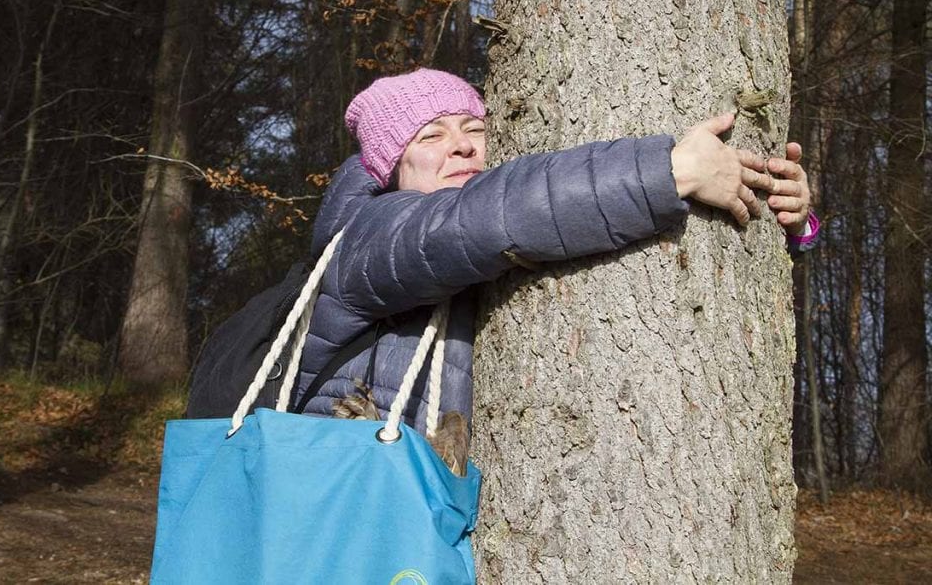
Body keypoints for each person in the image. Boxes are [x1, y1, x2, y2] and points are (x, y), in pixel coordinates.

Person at [293, 68, 817, 437]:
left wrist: (779, 218)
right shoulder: (361, 234)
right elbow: (489, 216)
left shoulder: (468, 269)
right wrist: (671, 172)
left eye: (475, 130)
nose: (463, 146)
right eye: (430, 136)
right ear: (390, 170)